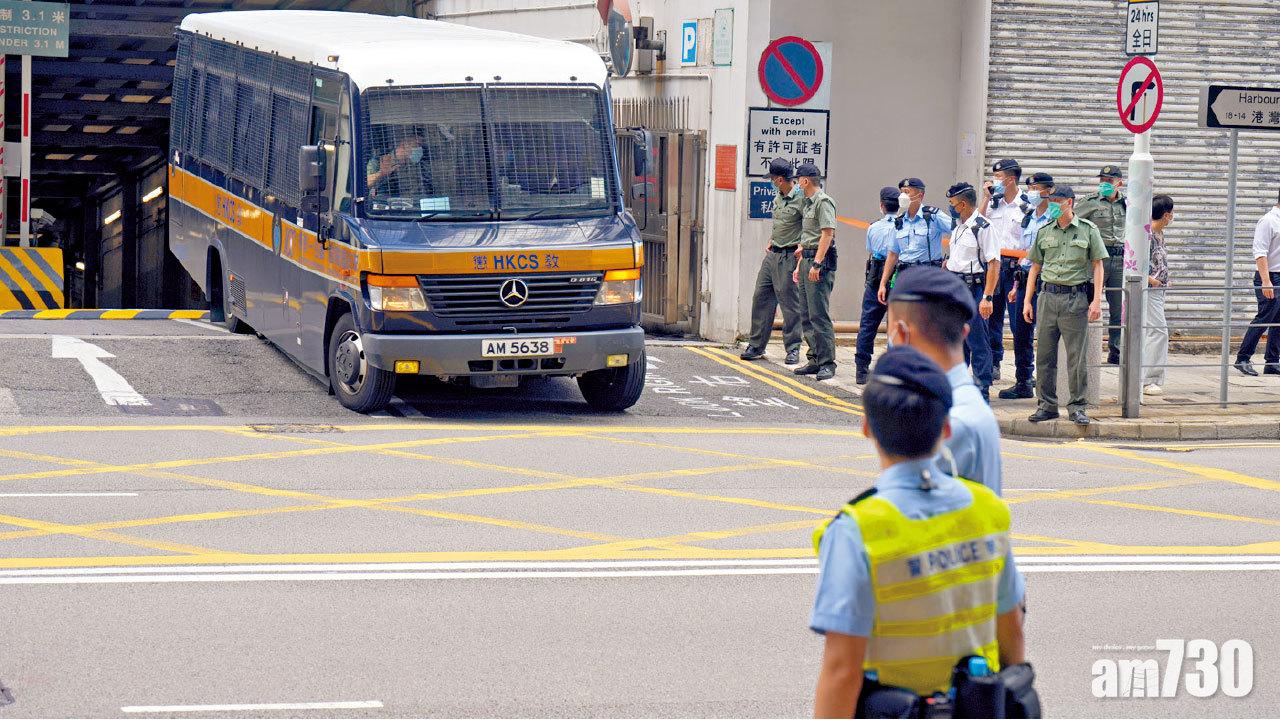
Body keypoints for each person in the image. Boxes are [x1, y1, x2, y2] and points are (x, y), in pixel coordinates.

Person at [809, 345, 1026, 718]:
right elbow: (1011, 633)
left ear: (866, 427)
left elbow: (842, 670)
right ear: (946, 428)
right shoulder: (989, 510)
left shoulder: (855, 531)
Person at [886, 266, 1003, 494]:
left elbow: (908, 506)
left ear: (901, 335)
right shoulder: (965, 402)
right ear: (965, 332)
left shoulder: (944, 422)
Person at [1023, 185, 1106, 426]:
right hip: (1047, 298)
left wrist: (1096, 301)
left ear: (1069, 202)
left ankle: (1077, 407)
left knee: (1076, 358)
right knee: (1044, 356)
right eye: (1050, 201)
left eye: (1057, 201)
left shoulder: (1088, 230)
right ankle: (1046, 405)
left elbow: (1098, 266)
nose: (1052, 205)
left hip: (1074, 299)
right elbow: (1035, 268)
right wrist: (1027, 301)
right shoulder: (1044, 231)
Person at [742, 158, 806, 365]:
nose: (770, 182)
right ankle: (756, 345)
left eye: (772, 178)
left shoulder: (802, 199)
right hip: (773, 255)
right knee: (761, 297)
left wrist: (802, 249)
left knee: (790, 304)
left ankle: (793, 348)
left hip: (789, 256)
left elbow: (809, 226)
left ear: (779, 179)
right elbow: (781, 223)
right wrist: (772, 239)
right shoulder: (779, 196)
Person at [997, 172, 1055, 400]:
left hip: (1047, 281)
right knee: (1021, 332)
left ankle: (1048, 383)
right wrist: (1014, 285)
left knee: (1047, 334)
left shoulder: (1055, 218)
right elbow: (1022, 255)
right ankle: (1023, 381)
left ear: (1049, 191)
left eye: (1036, 189)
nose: (1031, 193)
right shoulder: (1027, 217)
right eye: (1030, 189)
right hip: (1023, 281)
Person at [944, 182, 1001, 399]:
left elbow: (994, 263)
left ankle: (981, 389)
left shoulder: (983, 227)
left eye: (952, 204)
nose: (951, 208)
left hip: (974, 289)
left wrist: (987, 297)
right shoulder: (958, 227)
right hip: (955, 288)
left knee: (978, 341)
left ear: (963, 204)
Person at [1074, 165, 1127, 365]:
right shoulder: (1090, 202)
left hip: (1120, 259)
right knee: (1087, 302)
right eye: (1102, 180)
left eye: (1109, 181)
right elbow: (1072, 223)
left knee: (1118, 309)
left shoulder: (1128, 204)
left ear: (1119, 183)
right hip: (1097, 259)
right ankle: (1083, 349)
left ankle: (1116, 351)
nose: (1104, 184)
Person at [792, 161, 839, 381]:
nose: (797, 184)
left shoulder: (823, 201)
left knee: (819, 314)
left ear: (805, 181)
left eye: (798, 180)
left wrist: (817, 264)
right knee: (807, 314)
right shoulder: (808, 203)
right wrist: (800, 264)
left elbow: (827, 234)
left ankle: (827, 362)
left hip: (818, 262)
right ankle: (814, 359)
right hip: (807, 260)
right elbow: (807, 238)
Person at [877, 178, 954, 305]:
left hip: (928, 275)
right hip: (904, 275)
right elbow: (893, 254)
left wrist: (952, 260)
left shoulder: (933, 216)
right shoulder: (899, 221)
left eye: (907, 192)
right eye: (902, 192)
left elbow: (959, 232)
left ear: (920, 195)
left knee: (927, 313)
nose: (903, 196)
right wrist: (883, 284)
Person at [982, 159, 1025, 384]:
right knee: (992, 317)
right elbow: (977, 223)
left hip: (1017, 269)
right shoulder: (993, 203)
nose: (995, 180)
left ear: (1011, 179)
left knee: (1020, 322)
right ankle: (993, 364)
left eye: (999, 177)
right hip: (994, 267)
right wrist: (986, 197)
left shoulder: (1026, 204)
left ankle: (1023, 371)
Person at [854, 187, 901, 384]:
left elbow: (871, 249)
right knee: (895, 325)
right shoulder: (902, 226)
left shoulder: (874, 227)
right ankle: (892, 370)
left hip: (876, 274)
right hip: (898, 274)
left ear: (882, 206)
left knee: (868, 323)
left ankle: (861, 370)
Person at [1235, 189, 1280, 377]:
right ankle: (1243, 358)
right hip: (1269, 277)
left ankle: (1272, 362)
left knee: (1278, 321)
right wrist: (1266, 281)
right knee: (1264, 318)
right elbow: (1260, 253)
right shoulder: (1268, 221)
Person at [1142, 195, 1174, 395]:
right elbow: (1134, 263)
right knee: (1158, 332)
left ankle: (1146, 377)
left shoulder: (1159, 234)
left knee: (1152, 332)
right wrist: (1151, 280)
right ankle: (1149, 379)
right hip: (1149, 290)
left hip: (1159, 290)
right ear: (1166, 215)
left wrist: (1164, 279)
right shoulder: (1147, 235)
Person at [366, 131, 430, 198]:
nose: (420, 149)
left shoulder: (409, 168)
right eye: (418, 145)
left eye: (421, 146)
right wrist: (381, 173)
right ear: (404, 144)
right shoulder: (378, 161)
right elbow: (364, 184)